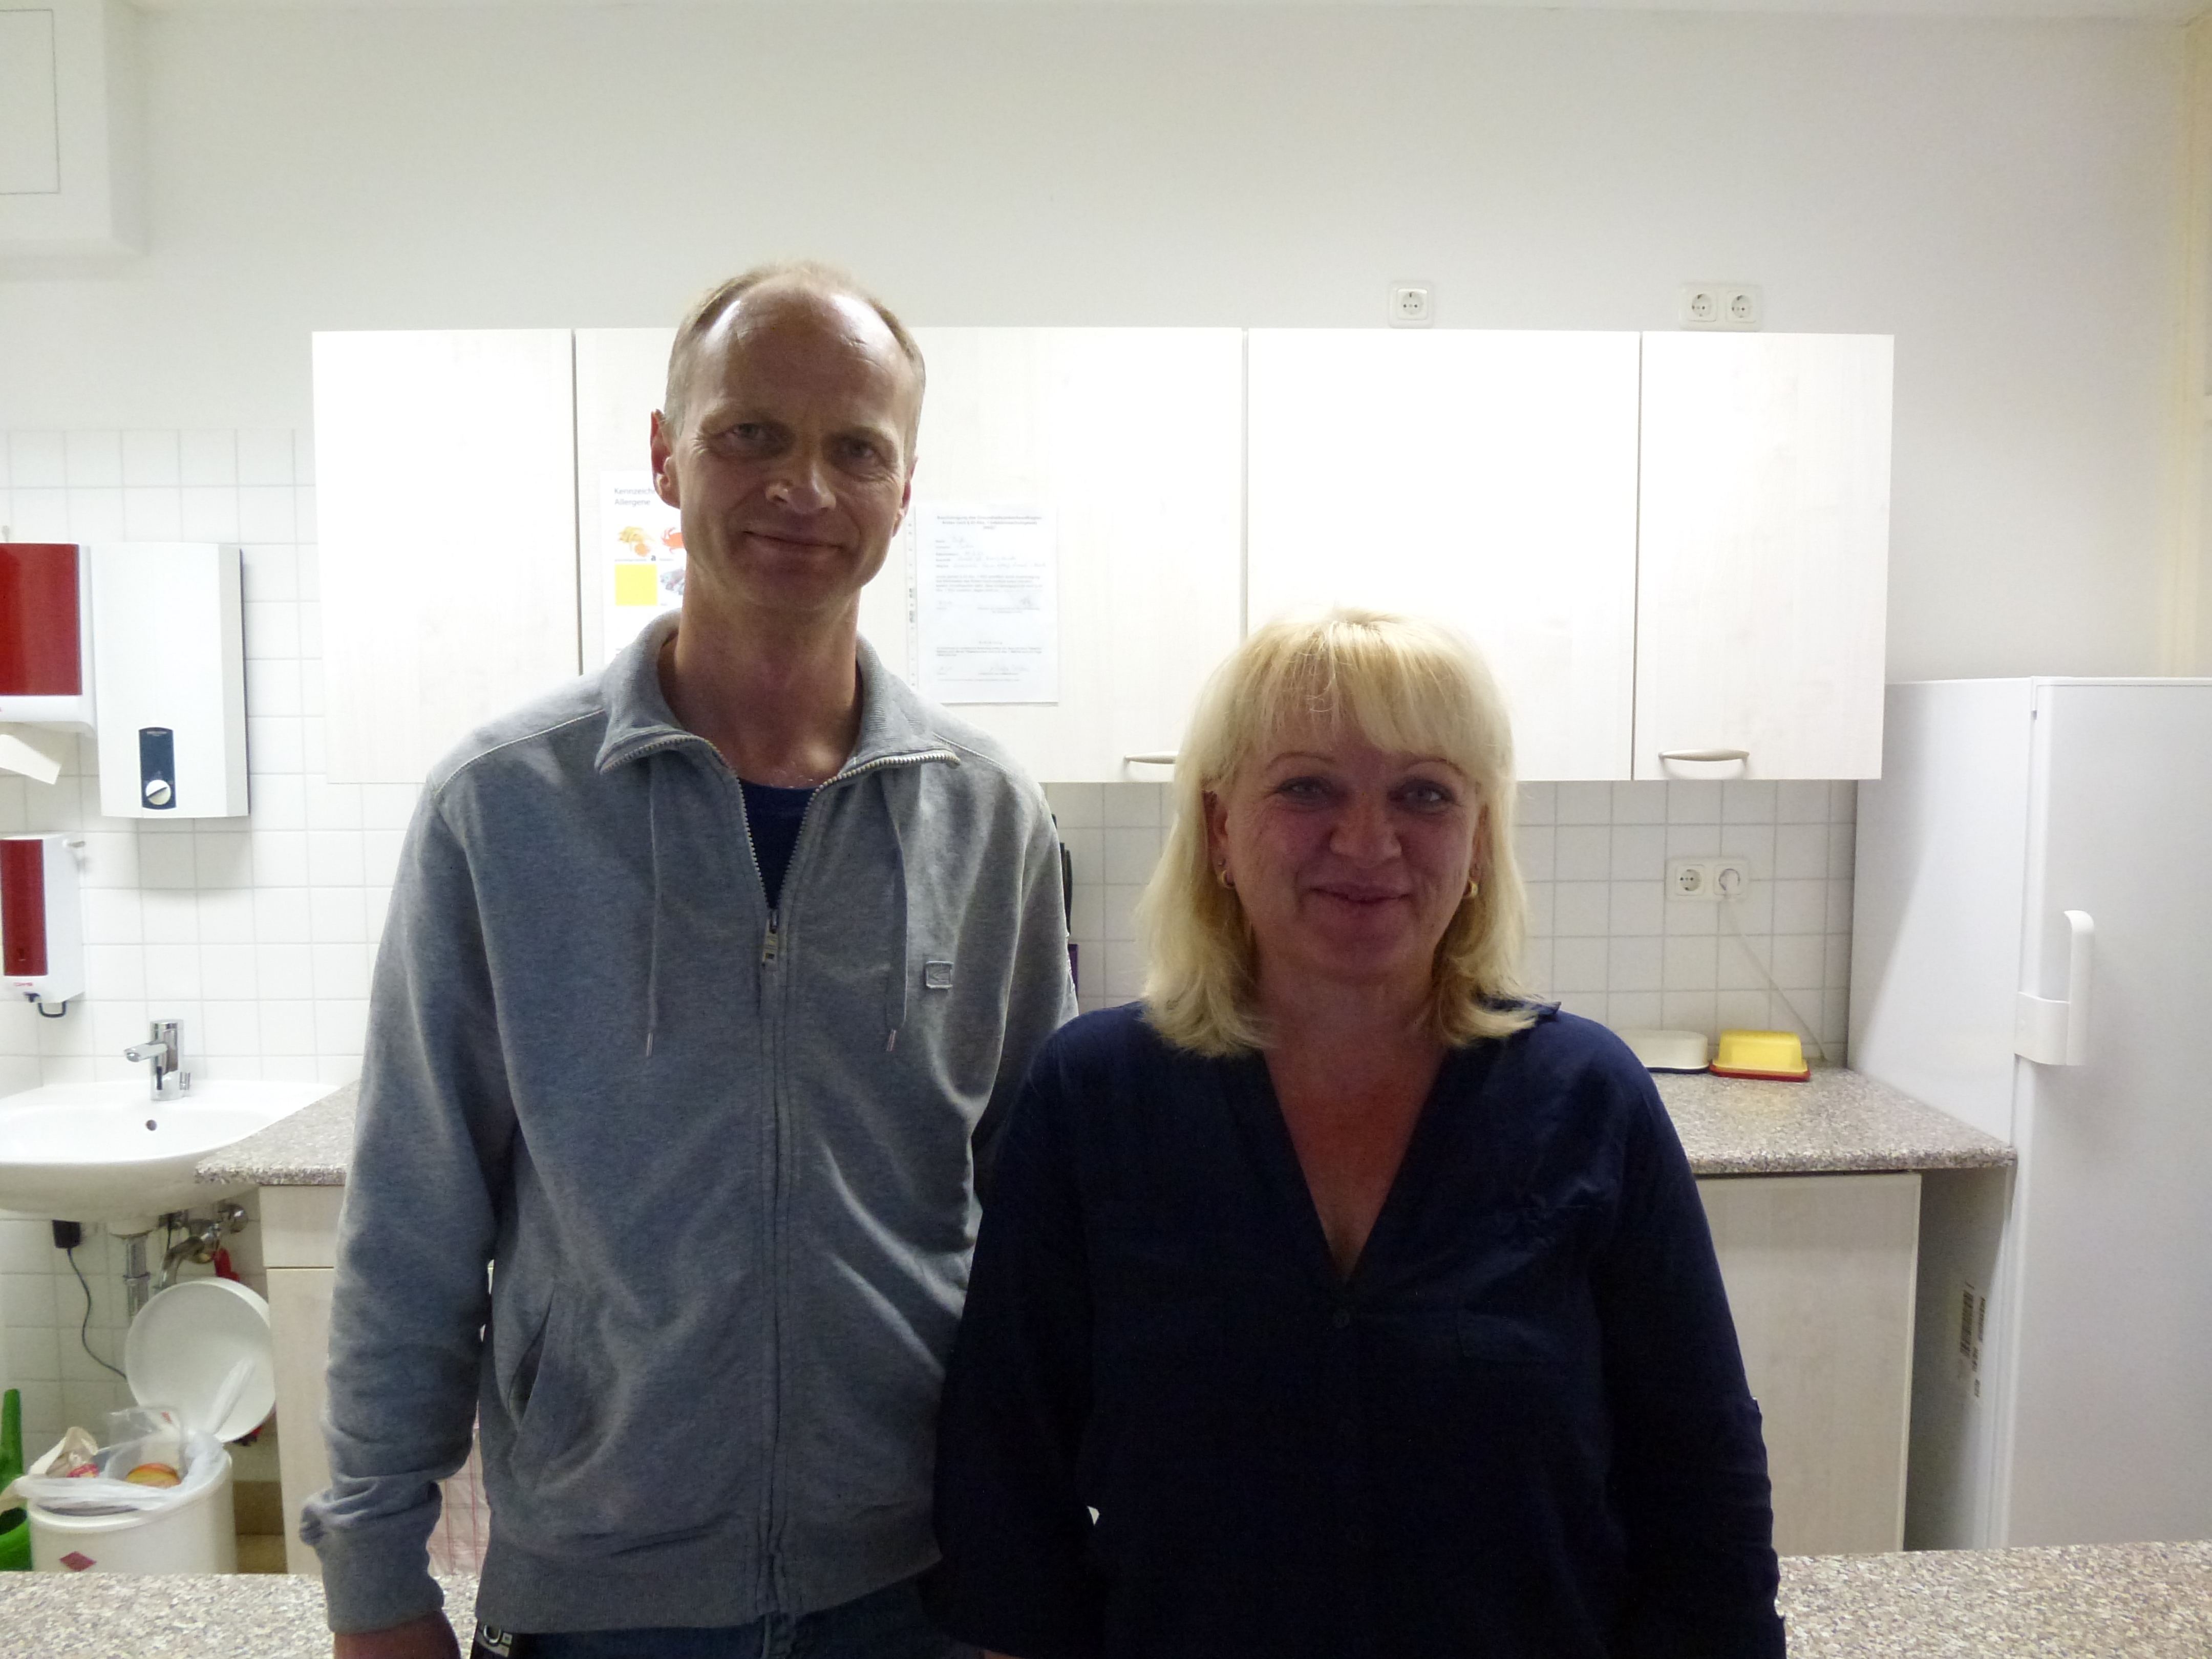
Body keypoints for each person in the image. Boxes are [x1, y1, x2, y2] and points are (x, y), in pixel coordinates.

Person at [305, 264, 1076, 1658]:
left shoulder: (988, 819)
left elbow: (1037, 1231)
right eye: (751, 434)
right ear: (667, 456)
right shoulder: (505, 809)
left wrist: (1036, 1558)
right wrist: (375, 1577)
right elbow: (413, 1220)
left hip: (916, 1588)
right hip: (601, 1601)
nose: (804, 488)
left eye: (857, 449)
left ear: (904, 490)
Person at [926, 609, 1786, 1659]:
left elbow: (1701, 1474)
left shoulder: (1589, 1099)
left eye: (1425, 793)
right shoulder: (1096, 1096)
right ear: (1219, 829)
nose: (1369, 842)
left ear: (1479, 837)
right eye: (1307, 788)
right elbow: (1008, 1468)